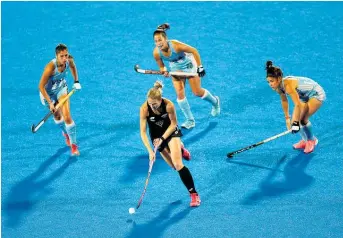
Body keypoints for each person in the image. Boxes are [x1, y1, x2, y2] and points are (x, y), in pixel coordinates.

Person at [139, 81, 201, 207]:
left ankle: (194, 194)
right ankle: (181, 149)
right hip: (156, 137)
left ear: (160, 100)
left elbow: (173, 124)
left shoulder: (169, 105)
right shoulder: (144, 109)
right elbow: (143, 132)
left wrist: (162, 138)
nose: (152, 107)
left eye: (155, 104)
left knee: (178, 164)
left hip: (171, 132)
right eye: (150, 104)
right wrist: (150, 151)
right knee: (173, 166)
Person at [152, 23, 220, 129]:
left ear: (166, 39)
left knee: (197, 92)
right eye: (156, 41)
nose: (158, 43)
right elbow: (162, 67)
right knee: (180, 94)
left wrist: (200, 67)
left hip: (188, 64)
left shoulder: (176, 46)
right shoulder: (156, 53)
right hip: (175, 67)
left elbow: (194, 51)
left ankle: (215, 102)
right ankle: (190, 120)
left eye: (160, 40)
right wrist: (164, 71)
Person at [265, 60, 326, 153]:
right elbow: (284, 100)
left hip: (315, 94)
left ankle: (312, 140)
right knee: (295, 121)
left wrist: (296, 123)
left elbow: (297, 104)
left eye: (272, 81)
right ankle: (305, 140)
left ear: (279, 78)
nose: (270, 84)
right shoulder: (278, 87)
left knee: (302, 119)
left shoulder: (288, 85)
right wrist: (287, 119)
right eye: (268, 82)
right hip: (304, 96)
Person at [38, 43, 81, 156]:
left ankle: (74, 145)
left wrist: (76, 81)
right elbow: (41, 86)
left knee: (67, 117)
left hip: (61, 89)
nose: (64, 58)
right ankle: (65, 133)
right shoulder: (50, 67)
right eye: (62, 56)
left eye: (66, 55)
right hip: (47, 94)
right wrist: (51, 103)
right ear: (56, 56)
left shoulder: (69, 60)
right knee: (57, 116)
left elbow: (72, 66)